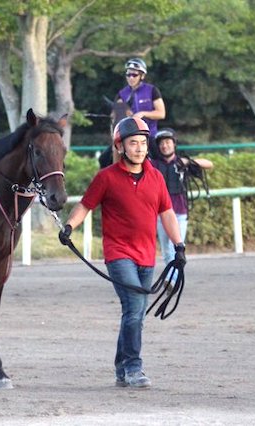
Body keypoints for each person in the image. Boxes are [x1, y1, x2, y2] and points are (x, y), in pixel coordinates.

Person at [58, 117, 185, 389]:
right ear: (121, 146)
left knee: (132, 312)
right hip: (118, 254)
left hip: (147, 255)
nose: (139, 148)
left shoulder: (156, 177)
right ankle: (134, 368)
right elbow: (85, 205)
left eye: (142, 143)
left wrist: (179, 245)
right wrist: (69, 226)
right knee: (135, 309)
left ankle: (120, 367)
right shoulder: (106, 178)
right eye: (133, 143)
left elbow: (167, 213)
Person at [151, 128, 213, 283]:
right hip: (161, 214)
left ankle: (172, 281)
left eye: (168, 142)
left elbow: (209, 164)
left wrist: (188, 161)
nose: (165, 146)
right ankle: (173, 280)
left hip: (179, 212)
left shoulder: (181, 163)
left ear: (174, 144)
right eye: (162, 143)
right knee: (166, 251)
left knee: (176, 248)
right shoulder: (154, 165)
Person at [115, 58, 166, 161]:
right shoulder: (122, 93)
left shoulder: (152, 90)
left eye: (134, 75)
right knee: (104, 159)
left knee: (160, 161)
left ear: (142, 76)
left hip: (149, 135)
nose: (131, 78)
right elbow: (116, 116)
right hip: (128, 136)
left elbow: (161, 113)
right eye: (128, 75)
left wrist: (142, 114)